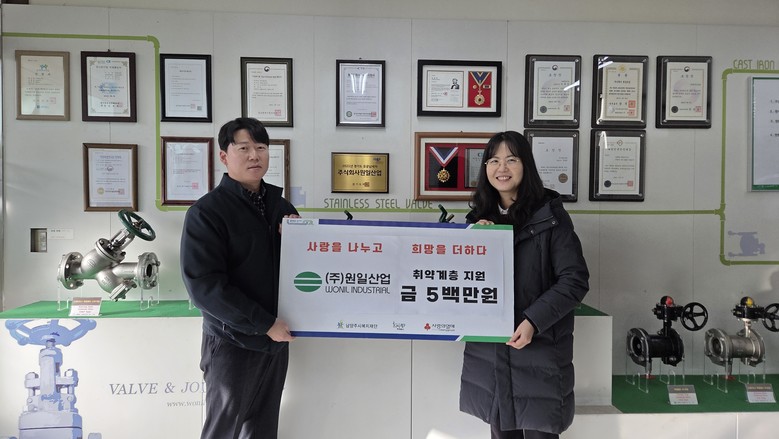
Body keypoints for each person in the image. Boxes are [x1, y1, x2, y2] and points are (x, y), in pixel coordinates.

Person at [458, 131, 589, 439]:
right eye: (494, 160)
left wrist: (532, 321)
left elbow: (574, 280)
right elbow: (465, 282)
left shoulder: (550, 216)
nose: (501, 168)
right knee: (501, 431)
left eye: (511, 160)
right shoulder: (479, 218)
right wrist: (475, 243)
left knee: (541, 431)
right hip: (491, 353)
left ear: (526, 165)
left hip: (538, 350)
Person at [180, 117, 299, 439]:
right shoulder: (207, 212)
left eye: (261, 147)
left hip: (274, 340)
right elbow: (205, 286)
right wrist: (264, 323)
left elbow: (301, 271)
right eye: (243, 148)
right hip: (232, 341)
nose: (254, 156)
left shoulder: (281, 207)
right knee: (224, 430)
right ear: (224, 156)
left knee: (262, 429)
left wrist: (296, 239)